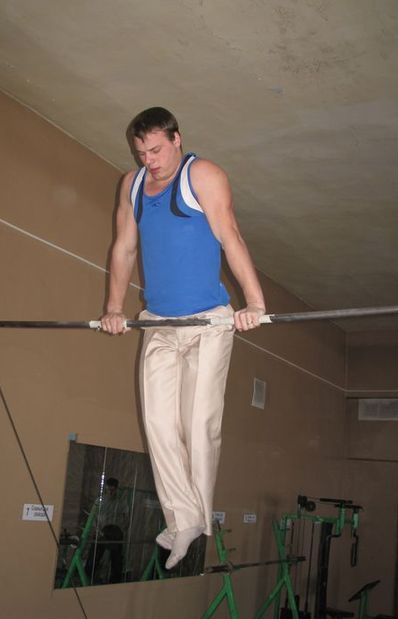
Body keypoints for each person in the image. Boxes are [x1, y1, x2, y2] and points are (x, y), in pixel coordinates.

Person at [100, 107, 265, 570]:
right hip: (157, 323)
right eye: (141, 153)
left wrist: (255, 303)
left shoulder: (203, 175)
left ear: (177, 139)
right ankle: (183, 520)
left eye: (156, 150)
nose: (149, 161)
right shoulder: (131, 185)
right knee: (157, 424)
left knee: (198, 422)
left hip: (208, 322)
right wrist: (114, 308)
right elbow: (124, 248)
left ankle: (198, 516)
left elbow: (230, 237)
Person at [85, 477, 129, 584]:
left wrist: (122, 530)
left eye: (113, 490)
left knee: (117, 560)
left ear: (116, 489)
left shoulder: (121, 502)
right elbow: (93, 517)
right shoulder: (99, 501)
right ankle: (86, 578)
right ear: (106, 488)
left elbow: (127, 518)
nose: (110, 492)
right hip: (101, 532)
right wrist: (97, 530)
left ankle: (114, 582)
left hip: (115, 532)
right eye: (109, 489)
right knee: (94, 557)